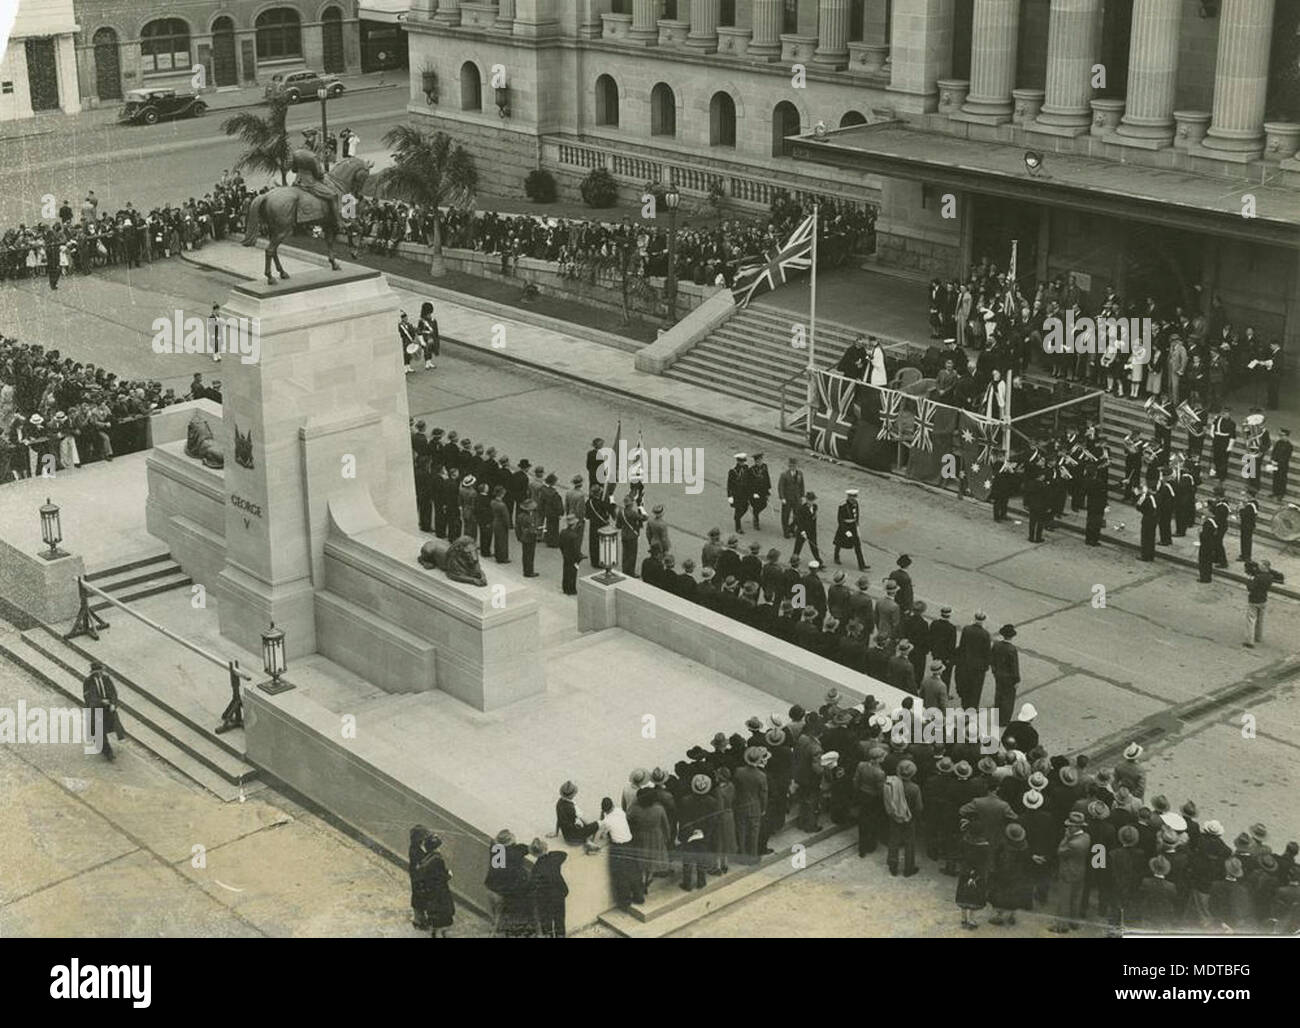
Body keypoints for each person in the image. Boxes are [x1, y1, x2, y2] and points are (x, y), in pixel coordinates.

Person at [596, 797, 642, 908]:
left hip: (619, 847)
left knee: (621, 876)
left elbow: (600, 836)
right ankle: (639, 896)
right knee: (634, 872)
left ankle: (625, 902)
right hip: (630, 843)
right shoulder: (620, 811)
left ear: (604, 810)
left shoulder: (606, 821)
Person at [484, 829, 531, 935]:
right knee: (500, 917)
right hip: (500, 892)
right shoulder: (515, 852)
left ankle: (494, 930)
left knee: (495, 914)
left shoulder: (494, 848)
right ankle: (494, 933)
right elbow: (526, 848)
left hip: (490, 888)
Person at [408, 828, 454, 937]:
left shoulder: (425, 857)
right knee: (440, 915)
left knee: (430, 910)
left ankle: (426, 924)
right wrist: (448, 875)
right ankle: (429, 926)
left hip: (427, 888)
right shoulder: (435, 859)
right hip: (436, 892)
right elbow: (439, 877)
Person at [1050, 811, 1090, 932]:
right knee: (1076, 898)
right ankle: (1074, 922)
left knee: (1064, 899)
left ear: (1076, 827)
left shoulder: (1073, 843)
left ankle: (1062, 926)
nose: (1067, 827)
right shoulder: (1086, 837)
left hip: (1067, 872)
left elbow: (1060, 851)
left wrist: (1066, 838)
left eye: (1069, 826)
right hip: (1080, 871)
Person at [989, 822, 1035, 926]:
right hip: (1018, 873)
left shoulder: (1003, 843)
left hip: (1003, 872)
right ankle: (1011, 916)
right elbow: (1026, 860)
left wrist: (995, 868)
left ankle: (999, 916)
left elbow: (996, 856)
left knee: (1000, 893)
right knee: (1014, 895)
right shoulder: (1025, 845)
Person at [884, 759, 922, 877]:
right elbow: (919, 807)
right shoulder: (914, 788)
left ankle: (893, 866)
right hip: (909, 819)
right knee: (909, 843)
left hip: (894, 817)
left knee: (893, 840)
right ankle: (908, 869)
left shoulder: (891, 783)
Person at [732, 746, 768, 863]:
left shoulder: (738, 772)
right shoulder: (761, 776)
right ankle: (752, 856)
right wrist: (763, 808)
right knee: (754, 832)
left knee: (741, 831)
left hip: (740, 805)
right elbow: (763, 794)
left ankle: (742, 855)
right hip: (755, 806)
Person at [528, 837, 569, 937]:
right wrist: (548, 853)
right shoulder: (554, 858)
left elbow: (534, 886)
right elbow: (563, 854)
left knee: (547, 921)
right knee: (559, 919)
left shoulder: (536, 869)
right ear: (545, 848)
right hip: (559, 894)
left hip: (545, 898)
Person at [82, 660, 123, 761]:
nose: (100, 674)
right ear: (93, 673)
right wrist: (100, 701)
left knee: (111, 726)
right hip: (95, 708)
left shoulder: (106, 679)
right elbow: (88, 697)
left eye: (101, 672)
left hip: (107, 708)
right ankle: (108, 753)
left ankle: (101, 743)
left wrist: (113, 703)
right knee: (99, 730)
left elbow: (113, 692)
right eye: (98, 673)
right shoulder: (88, 682)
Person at [956, 819, 991, 930]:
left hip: (965, 871)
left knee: (963, 894)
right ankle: (972, 919)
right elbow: (985, 861)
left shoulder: (965, 841)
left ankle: (963, 918)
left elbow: (960, 854)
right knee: (974, 896)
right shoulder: (985, 846)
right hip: (978, 873)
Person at [954, 611, 991, 710]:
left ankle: (964, 705)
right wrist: (986, 666)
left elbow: (962, 646)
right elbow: (987, 652)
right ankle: (972, 708)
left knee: (965, 686)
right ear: (983, 621)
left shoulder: (966, 629)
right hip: (978, 667)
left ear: (974, 619)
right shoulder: (985, 634)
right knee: (975, 690)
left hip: (965, 664)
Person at [990, 624, 1020, 723]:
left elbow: (992, 660)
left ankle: (996, 718)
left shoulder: (996, 645)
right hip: (1009, 678)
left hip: (998, 675)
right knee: (1008, 699)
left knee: (998, 695)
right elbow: (1014, 667)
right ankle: (1004, 720)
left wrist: (994, 671)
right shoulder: (1012, 649)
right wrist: (1017, 680)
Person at [555, 780, 599, 848]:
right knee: (596, 824)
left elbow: (559, 819)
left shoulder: (559, 803)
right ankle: (588, 841)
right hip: (576, 839)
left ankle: (586, 840)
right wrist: (591, 827)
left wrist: (556, 833)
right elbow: (585, 823)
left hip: (566, 838)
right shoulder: (572, 808)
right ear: (572, 794)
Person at [1243, 558, 1275, 648]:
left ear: (1264, 566)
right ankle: (1258, 637)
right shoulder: (1270, 577)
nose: (1258, 566)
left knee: (1251, 620)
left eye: (1260, 565)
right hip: (1263, 600)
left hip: (1254, 600)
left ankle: (1249, 641)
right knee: (1260, 620)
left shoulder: (1258, 577)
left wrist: (1249, 579)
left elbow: (1250, 587)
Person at [833, 488, 867, 570]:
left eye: (855, 497)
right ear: (848, 497)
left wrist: (857, 525)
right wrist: (846, 531)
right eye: (852, 497)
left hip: (853, 526)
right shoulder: (843, 506)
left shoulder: (856, 504)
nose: (854, 499)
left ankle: (861, 565)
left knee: (857, 545)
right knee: (839, 543)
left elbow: (856, 515)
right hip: (844, 526)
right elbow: (840, 520)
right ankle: (836, 557)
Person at [777, 457, 804, 539]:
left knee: (798, 516)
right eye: (791, 465)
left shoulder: (800, 473)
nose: (793, 467)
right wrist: (782, 498)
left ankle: (792, 528)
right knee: (785, 516)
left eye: (794, 465)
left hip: (797, 498)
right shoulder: (784, 474)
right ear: (789, 466)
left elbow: (801, 485)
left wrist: (802, 496)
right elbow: (780, 487)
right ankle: (786, 531)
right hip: (787, 498)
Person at [792, 491, 820, 562]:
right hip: (803, 531)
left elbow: (814, 520)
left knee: (814, 546)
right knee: (798, 546)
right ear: (807, 500)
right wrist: (802, 531)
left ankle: (819, 561)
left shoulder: (815, 507)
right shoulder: (801, 509)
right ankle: (794, 559)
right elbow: (798, 521)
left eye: (813, 500)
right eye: (810, 500)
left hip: (812, 531)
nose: (811, 502)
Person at [515, 497, 540, 577]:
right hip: (530, 538)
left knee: (525, 555)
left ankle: (526, 570)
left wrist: (519, 536)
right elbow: (532, 529)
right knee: (530, 555)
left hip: (523, 537)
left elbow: (517, 527)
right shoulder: (529, 518)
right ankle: (529, 571)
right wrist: (536, 531)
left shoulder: (520, 516)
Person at [726, 453, 750, 533]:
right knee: (738, 509)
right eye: (741, 462)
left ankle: (737, 518)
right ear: (738, 461)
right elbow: (729, 484)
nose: (742, 463)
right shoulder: (733, 471)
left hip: (745, 493)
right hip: (737, 494)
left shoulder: (746, 468)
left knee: (745, 507)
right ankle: (738, 527)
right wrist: (730, 496)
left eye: (743, 462)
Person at [558, 513, 582, 595]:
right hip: (572, 558)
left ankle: (565, 587)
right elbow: (576, 549)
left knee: (566, 572)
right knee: (572, 574)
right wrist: (579, 557)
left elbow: (560, 544)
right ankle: (571, 589)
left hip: (565, 555)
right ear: (574, 524)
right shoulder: (574, 536)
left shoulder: (563, 532)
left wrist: (563, 552)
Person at [1136, 483, 1157, 561]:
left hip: (1147, 518)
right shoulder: (1157, 496)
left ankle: (1145, 556)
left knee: (1145, 537)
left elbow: (1138, 507)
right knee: (1151, 537)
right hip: (1154, 518)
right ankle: (1151, 555)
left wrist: (1141, 496)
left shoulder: (1147, 498)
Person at [1237, 490, 1259, 562]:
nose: (1246, 495)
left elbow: (1247, 515)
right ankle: (1243, 554)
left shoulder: (1252, 505)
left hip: (1248, 525)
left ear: (1250, 495)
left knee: (1246, 540)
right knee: (1244, 539)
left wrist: (1241, 509)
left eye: (1247, 494)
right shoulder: (1250, 503)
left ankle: (1246, 556)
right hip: (1246, 524)